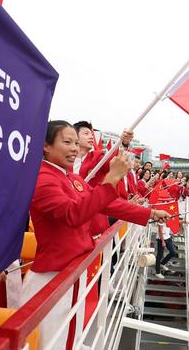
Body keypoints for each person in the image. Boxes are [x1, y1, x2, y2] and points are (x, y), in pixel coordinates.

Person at [22, 120, 170, 349]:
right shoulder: (42, 179)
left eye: (74, 142)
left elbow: (108, 204)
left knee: (68, 337)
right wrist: (111, 179)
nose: (73, 148)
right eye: (67, 141)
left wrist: (149, 213)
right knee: (51, 342)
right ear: (46, 146)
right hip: (52, 278)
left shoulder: (71, 178)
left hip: (73, 272)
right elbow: (72, 214)